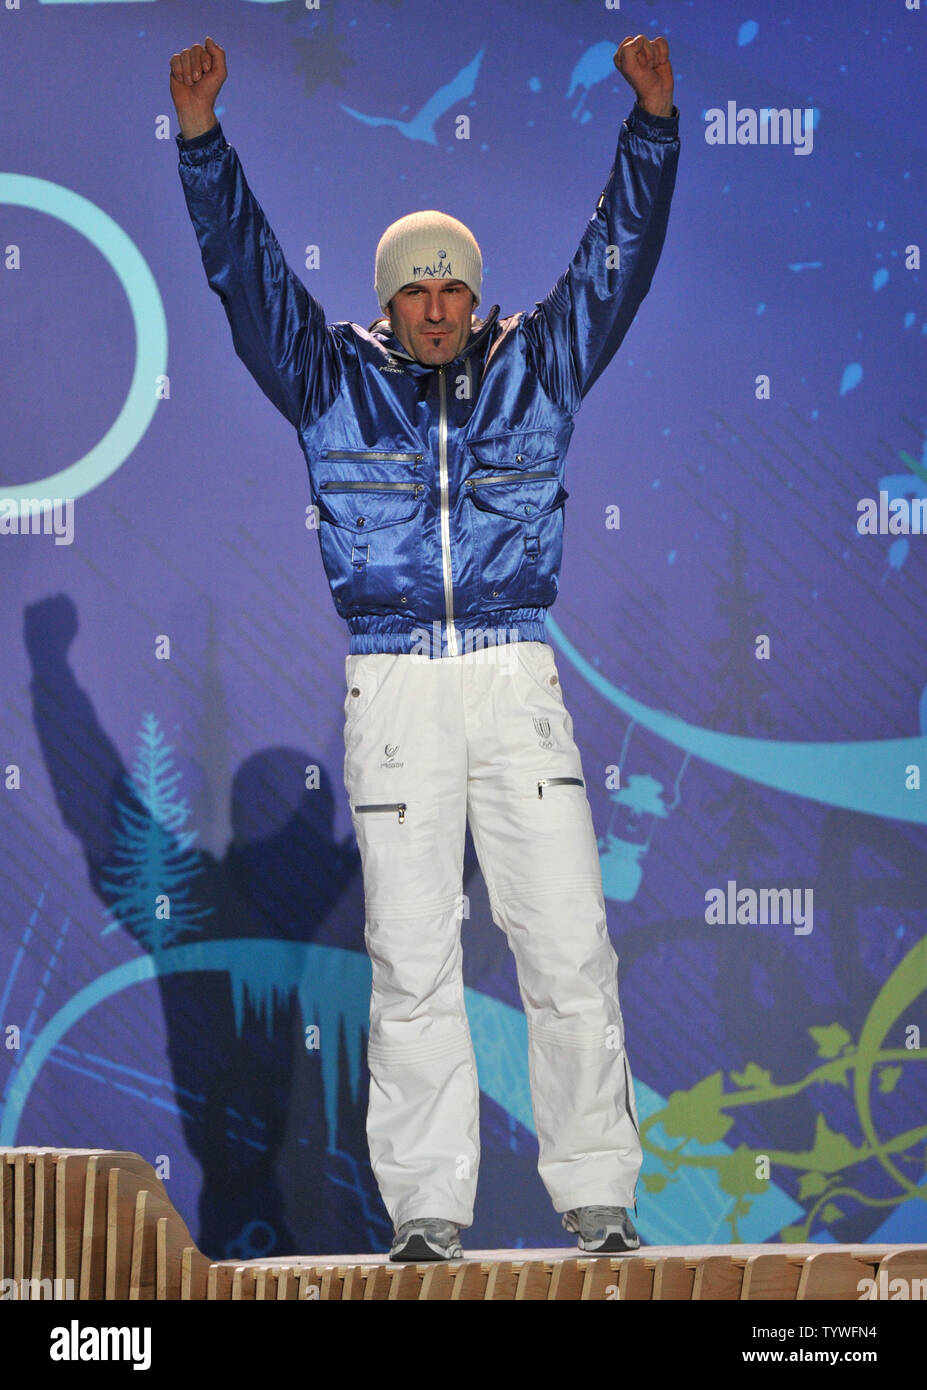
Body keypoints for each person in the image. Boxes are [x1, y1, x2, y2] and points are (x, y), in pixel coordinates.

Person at [171, 32, 679, 1262]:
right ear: (389, 297)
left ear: (474, 296)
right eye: (419, 288)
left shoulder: (536, 366)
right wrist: (202, 147)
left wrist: (653, 129)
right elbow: (249, 278)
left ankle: (600, 1196)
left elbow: (615, 265)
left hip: (514, 673)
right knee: (409, 959)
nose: (441, 308)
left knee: (565, 939)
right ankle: (428, 1213)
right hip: (394, 680)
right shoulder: (328, 376)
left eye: (457, 288)